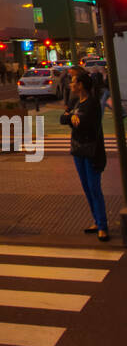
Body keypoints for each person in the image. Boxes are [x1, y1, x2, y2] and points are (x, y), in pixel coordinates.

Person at [61, 69, 108, 241]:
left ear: (80, 85)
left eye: (73, 82)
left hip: (91, 151)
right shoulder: (75, 102)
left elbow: (88, 124)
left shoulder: (93, 103)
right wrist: (72, 116)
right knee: (87, 188)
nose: (71, 84)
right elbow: (63, 118)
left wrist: (73, 118)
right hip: (77, 150)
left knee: (95, 188)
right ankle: (96, 220)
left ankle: (103, 226)